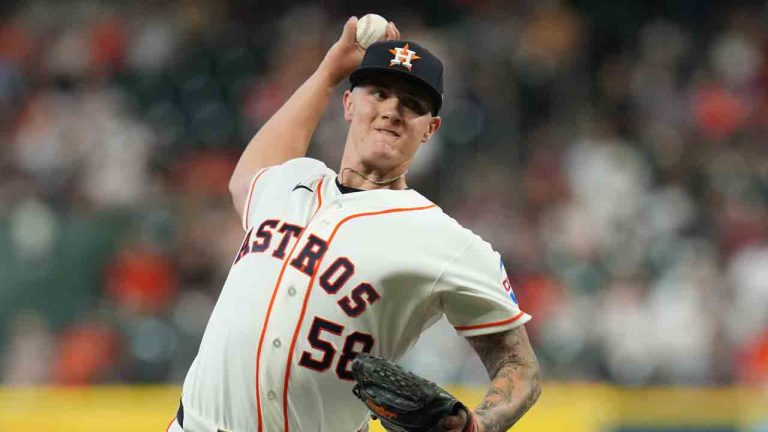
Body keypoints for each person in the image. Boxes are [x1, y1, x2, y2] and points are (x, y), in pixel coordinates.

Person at [168, 16, 541, 432]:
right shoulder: (292, 180)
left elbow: (519, 366)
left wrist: (477, 425)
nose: (392, 111)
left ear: (430, 130)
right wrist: (328, 72)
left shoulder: (445, 241)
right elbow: (247, 176)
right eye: (379, 93)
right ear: (348, 104)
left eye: (413, 105)